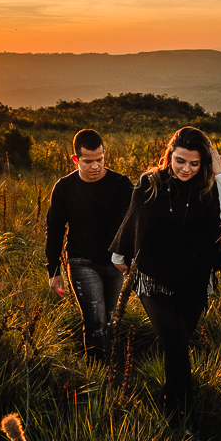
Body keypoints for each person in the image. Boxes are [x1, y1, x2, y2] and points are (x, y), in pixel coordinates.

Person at [110, 126, 221, 428]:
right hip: (153, 280)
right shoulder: (151, 183)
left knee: (176, 347)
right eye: (180, 161)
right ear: (170, 155)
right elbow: (134, 218)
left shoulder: (208, 191)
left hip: (193, 283)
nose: (186, 169)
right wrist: (120, 255)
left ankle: (169, 408)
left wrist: (219, 170)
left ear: (204, 163)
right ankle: (182, 421)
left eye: (195, 163)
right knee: (178, 347)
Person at [45, 129, 134, 363]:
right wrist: (53, 271)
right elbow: (54, 230)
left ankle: (114, 369)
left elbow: (131, 221)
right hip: (82, 261)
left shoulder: (121, 184)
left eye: (99, 160)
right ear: (75, 159)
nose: (95, 166)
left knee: (110, 319)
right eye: (88, 161)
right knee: (95, 320)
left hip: (115, 264)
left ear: (105, 154)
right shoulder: (64, 188)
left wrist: (130, 257)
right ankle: (97, 375)